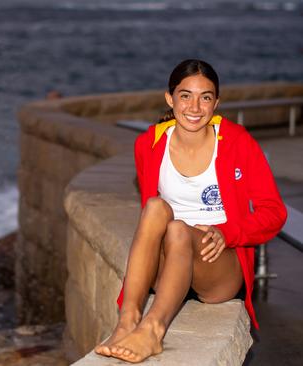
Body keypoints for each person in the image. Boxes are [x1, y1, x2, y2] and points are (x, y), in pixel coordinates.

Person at [94, 59, 287, 363]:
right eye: (186, 96)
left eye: (205, 97)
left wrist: (229, 233)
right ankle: (127, 321)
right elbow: (149, 215)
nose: (195, 107)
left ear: (216, 103)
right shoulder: (149, 144)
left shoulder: (238, 143)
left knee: (178, 229)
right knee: (157, 208)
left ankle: (154, 330)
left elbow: (274, 212)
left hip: (218, 267)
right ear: (170, 99)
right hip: (169, 264)